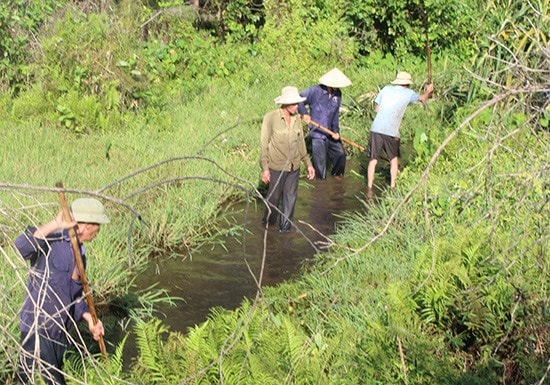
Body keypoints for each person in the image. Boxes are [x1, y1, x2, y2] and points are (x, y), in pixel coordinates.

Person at [15, 198, 109, 385]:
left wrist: (90, 319)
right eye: (97, 225)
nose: (99, 230)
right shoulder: (52, 240)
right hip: (38, 325)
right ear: (86, 226)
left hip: (59, 331)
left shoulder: (81, 256)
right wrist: (56, 223)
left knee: (27, 377)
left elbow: (73, 299)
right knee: (52, 381)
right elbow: (21, 247)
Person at [366, 71, 434, 199]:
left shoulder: (386, 89)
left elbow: (376, 109)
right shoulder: (409, 93)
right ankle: (392, 187)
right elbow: (423, 99)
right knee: (394, 159)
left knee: (373, 159)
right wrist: (429, 91)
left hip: (376, 128)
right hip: (391, 130)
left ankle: (369, 188)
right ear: (407, 84)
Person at [260, 86, 316, 232]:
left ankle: (285, 231)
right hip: (276, 166)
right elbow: (263, 144)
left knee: (290, 200)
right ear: (284, 103)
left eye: (297, 103)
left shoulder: (297, 118)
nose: (297, 107)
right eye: (293, 104)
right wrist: (265, 169)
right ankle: (267, 227)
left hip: (294, 166)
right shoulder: (270, 118)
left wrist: (308, 164)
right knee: (273, 200)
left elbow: (300, 143)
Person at [298, 67, 352, 180]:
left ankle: (337, 178)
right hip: (317, 134)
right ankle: (320, 185)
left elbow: (335, 116)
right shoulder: (315, 91)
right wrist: (304, 114)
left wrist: (336, 131)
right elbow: (299, 100)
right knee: (320, 166)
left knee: (340, 154)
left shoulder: (338, 95)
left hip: (330, 132)